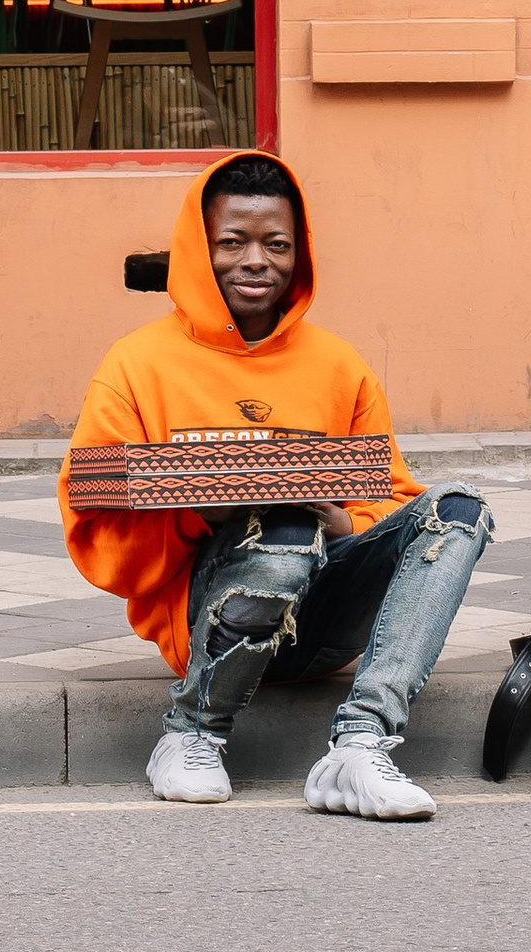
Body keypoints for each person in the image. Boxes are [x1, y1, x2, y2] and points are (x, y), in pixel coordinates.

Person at [61, 151, 493, 820]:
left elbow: (389, 500)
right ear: (199, 249)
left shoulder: (338, 365)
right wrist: (206, 513)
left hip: (325, 622)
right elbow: (95, 514)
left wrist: (334, 518)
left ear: (301, 252)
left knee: (458, 509)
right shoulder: (136, 364)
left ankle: (361, 744)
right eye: (232, 242)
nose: (256, 261)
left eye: (277, 244)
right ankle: (192, 732)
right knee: (282, 528)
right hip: (205, 619)